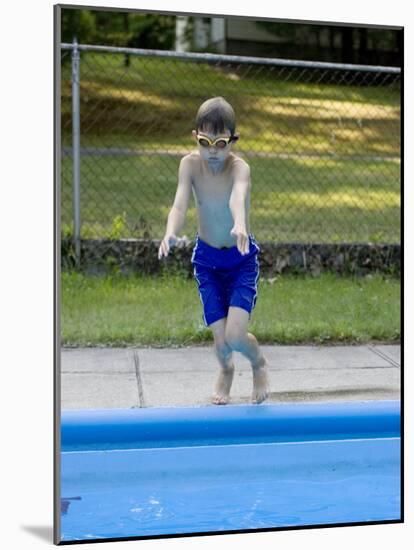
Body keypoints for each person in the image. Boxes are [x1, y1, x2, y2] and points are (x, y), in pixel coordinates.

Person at [158, 96, 269, 405]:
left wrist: (240, 224)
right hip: (207, 260)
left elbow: (238, 196)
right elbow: (180, 202)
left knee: (235, 335)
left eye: (220, 143)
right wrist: (170, 231)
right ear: (196, 137)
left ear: (232, 141)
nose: (212, 152)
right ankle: (226, 370)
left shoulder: (240, 168)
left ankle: (258, 364)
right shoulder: (189, 165)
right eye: (205, 142)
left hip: (239, 258)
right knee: (220, 341)